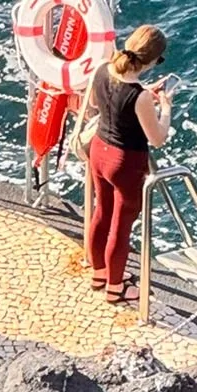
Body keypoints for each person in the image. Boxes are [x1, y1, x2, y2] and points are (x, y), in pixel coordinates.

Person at [78, 23, 172, 304]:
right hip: (125, 162)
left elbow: (99, 102)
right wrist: (165, 108)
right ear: (152, 60)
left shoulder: (103, 70)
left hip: (99, 151)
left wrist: (144, 93)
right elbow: (157, 138)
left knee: (101, 212)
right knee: (121, 225)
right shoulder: (140, 96)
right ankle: (116, 289)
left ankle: (100, 274)